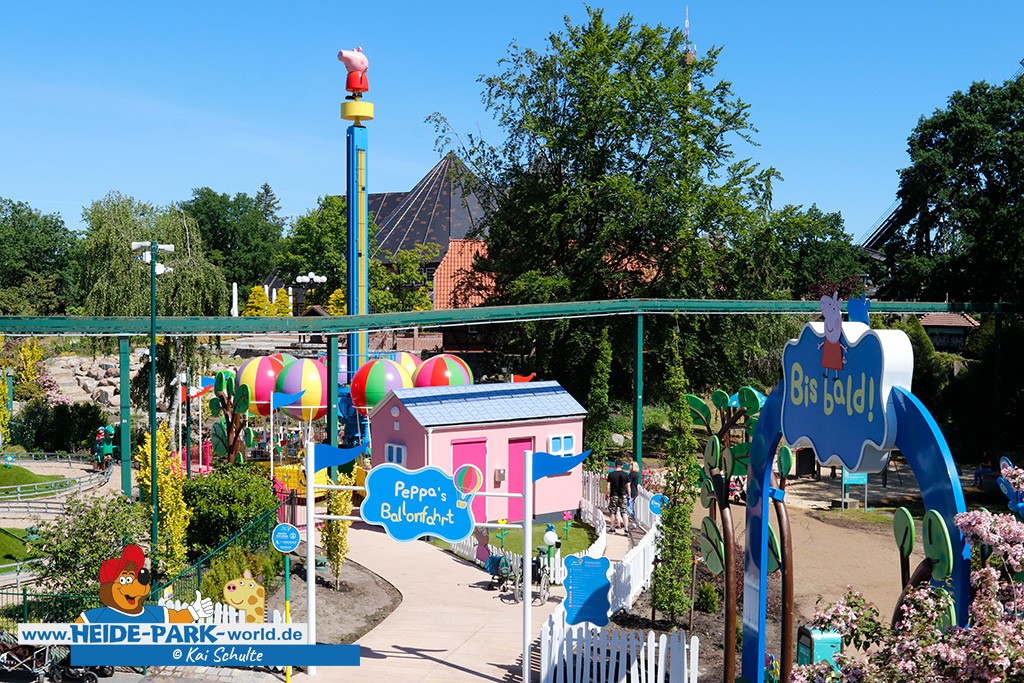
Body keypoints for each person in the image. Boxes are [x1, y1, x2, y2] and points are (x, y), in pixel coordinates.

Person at [607, 461, 630, 533]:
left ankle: (613, 528)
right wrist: (629, 495)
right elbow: (628, 486)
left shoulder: (611, 474)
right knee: (624, 511)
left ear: (615, 465)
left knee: (613, 512)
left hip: (613, 494)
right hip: (623, 495)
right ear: (622, 466)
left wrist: (606, 494)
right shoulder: (625, 475)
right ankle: (626, 529)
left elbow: (608, 486)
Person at [627, 461, 641, 531]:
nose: (629, 467)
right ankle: (634, 523)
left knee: (628, 507)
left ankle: (635, 520)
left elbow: (628, 484)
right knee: (631, 508)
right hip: (635, 491)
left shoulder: (631, 474)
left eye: (630, 465)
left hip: (632, 492)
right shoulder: (636, 474)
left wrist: (628, 494)